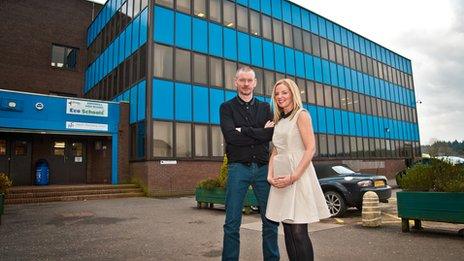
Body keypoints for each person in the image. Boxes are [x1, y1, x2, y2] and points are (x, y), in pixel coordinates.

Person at [266, 78, 331, 261]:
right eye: (277, 94)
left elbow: (310, 149)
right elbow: (275, 150)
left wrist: (294, 176)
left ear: (293, 93)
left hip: (298, 176)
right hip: (281, 177)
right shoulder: (278, 121)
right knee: (287, 231)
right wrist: (270, 175)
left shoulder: (301, 115)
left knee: (298, 231)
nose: (280, 97)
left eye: (284, 92)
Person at [220, 66, 279, 261]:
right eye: (242, 80)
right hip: (238, 168)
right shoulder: (226, 107)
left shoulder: (265, 108)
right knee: (232, 223)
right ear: (235, 82)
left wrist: (243, 130)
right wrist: (259, 132)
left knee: (270, 221)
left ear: (255, 83)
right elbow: (231, 137)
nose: (246, 84)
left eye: (249, 80)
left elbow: (271, 134)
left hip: (263, 169)